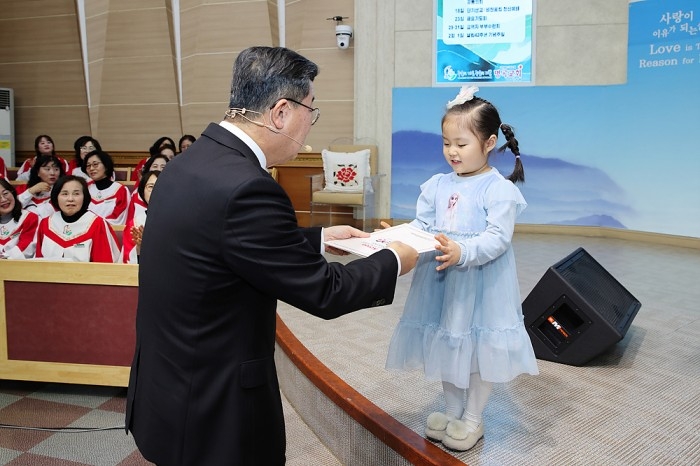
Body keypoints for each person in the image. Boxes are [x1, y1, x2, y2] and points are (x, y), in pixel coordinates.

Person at [125, 46, 419, 466]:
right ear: (281, 112)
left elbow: (223, 240)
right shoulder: (249, 186)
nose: (310, 123)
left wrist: (318, 238)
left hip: (169, 385)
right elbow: (326, 291)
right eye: (310, 110)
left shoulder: (190, 163)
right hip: (214, 405)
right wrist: (395, 258)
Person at [385, 85, 539, 451]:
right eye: (446, 143)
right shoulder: (437, 185)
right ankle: (453, 411)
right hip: (443, 280)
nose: (452, 152)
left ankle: (472, 418)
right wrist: (396, 234)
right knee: (447, 342)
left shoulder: (497, 188)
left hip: (479, 281)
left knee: (477, 347)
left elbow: (498, 238)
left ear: (488, 143)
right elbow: (423, 226)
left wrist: (463, 251)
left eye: (461, 144)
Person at [35, 175, 120, 262]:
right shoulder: (46, 224)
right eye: (65, 194)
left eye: (76, 194)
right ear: (56, 197)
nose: (70, 199)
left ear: (85, 197)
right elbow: (38, 262)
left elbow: (104, 264)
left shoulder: (97, 224)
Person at [120, 170, 159, 264]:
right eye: (151, 187)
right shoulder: (135, 225)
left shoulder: (178, 221)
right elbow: (127, 260)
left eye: (160, 186)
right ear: (142, 192)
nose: (155, 191)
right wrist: (139, 248)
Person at [83, 150, 130, 225]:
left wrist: (96, 225)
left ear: (106, 165)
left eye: (95, 164)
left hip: (110, 230)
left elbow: (119, 219)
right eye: (88, 166)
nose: (91, 168)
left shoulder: (121, 190)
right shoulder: (84, 188)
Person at [0, 179, 39, 259]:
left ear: (13, 193)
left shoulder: (30, 218)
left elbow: (27, 248)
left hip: (19, 265)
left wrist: (5, 258)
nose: (3, 199)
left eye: (5, 193)